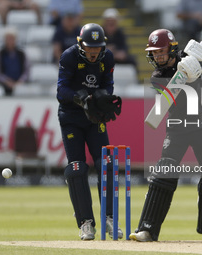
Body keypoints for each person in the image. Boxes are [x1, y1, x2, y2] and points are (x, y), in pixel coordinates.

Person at [129, 29, 202, 242]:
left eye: (161, 51)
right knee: (165, 172)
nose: (158, 56)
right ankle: (147, 229)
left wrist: (200, 48)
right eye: (154, 53)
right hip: (178, 127)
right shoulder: (157, 77)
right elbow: (170, 102)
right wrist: (182, 78)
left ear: (172, 49)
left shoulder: (186, 57)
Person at [56, 23, 122, 240]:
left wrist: (102, 98)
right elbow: (61, 90)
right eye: (89, 47)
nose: (94, 52)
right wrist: (81, 97)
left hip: (94, 118)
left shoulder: (107, 57)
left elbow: (108, 84)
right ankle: (86, 223)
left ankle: (110, 218)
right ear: (80, 43)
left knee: (108, 163)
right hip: (72, 118)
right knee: (77, 168)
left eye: (97, 47)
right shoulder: (69, 57)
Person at [0, 28, 30, 95]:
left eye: (12, 39)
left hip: (20, 84)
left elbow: (26, 71)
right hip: (3, 85)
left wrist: (20, 81)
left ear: (15, 40)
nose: (10, 41)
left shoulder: (22, 54)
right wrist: (7, 81)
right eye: (8, 39)